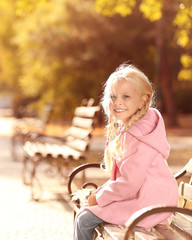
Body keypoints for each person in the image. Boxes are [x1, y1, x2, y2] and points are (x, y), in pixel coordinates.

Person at [73, 63, 178, 240]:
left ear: (144, 100)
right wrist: (100, 193)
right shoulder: (133, 128)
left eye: (126, 96)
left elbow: (130, 183)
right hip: (148, 197)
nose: (118, 102)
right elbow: (125, 179)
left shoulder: (137, 136)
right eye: (113, 96)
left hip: (149, 203)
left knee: (84, 220)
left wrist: (100, 198)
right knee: (85, 213)